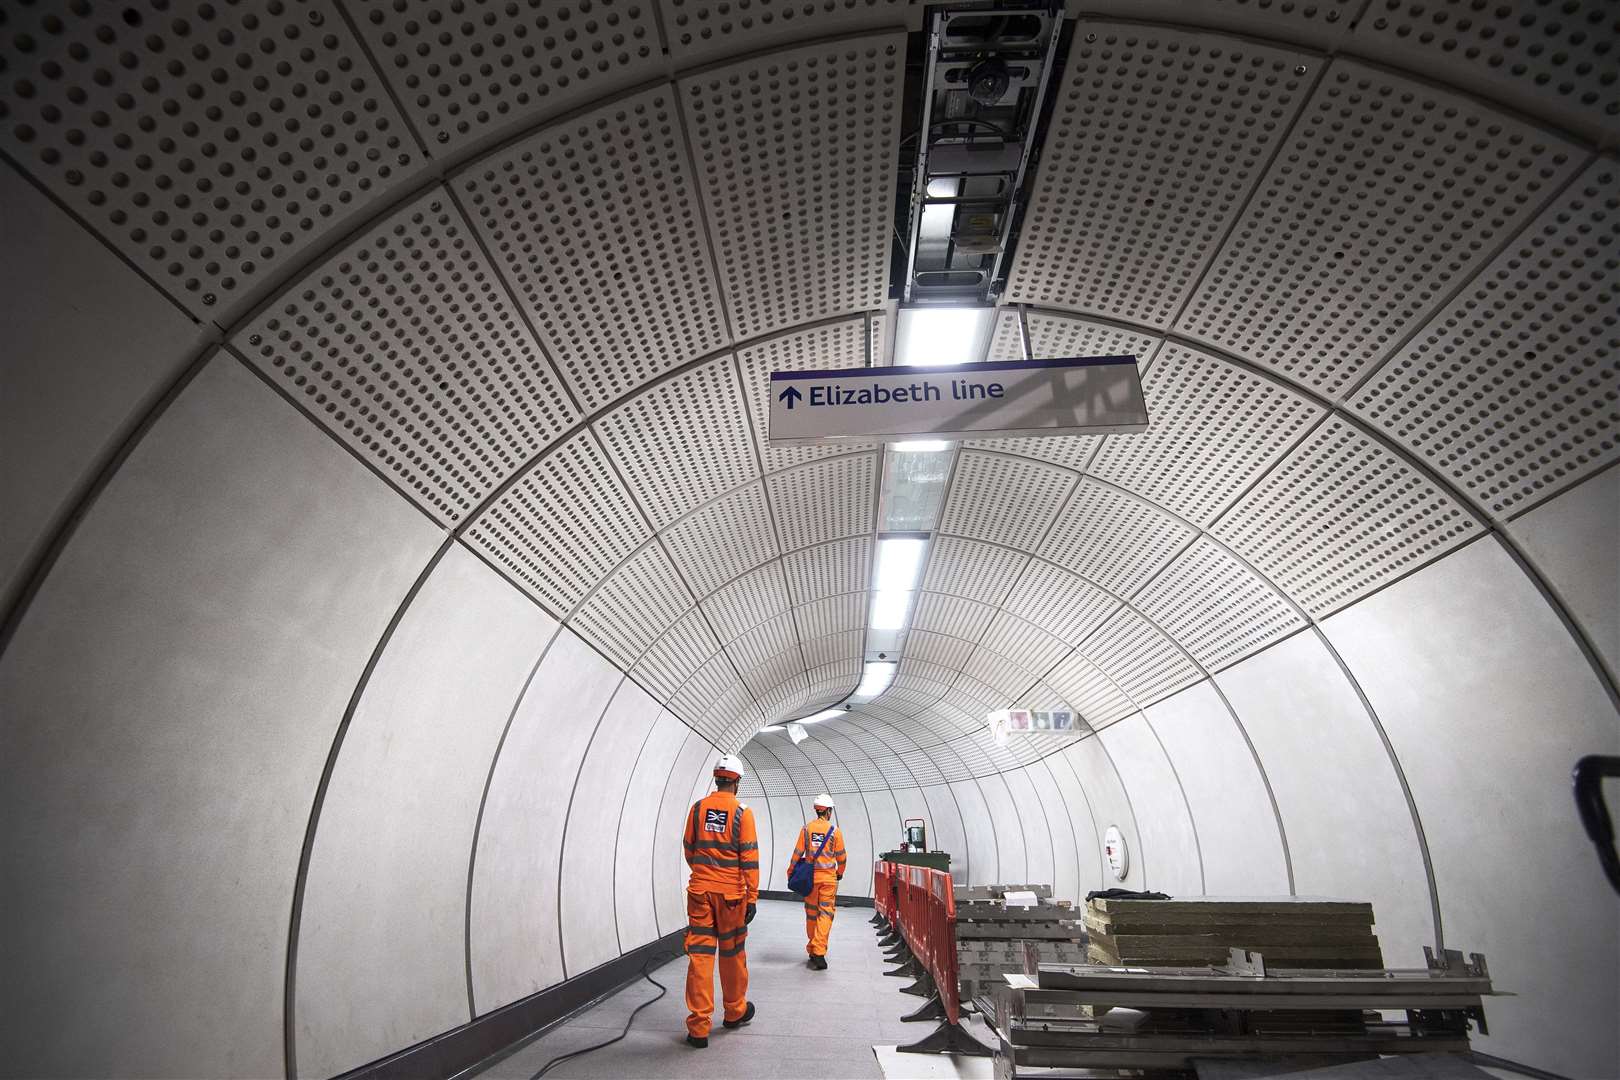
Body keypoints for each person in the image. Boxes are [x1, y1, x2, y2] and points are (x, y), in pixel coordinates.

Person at [681, 754, 760, 1048]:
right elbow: (749, 857)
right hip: (731, 898)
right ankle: (734, 1011)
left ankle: (699, 1027)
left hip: (699, 893)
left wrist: (704, 873)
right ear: (736, 782)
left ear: (717, 779)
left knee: (700, 957)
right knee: (732, 955)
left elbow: (690, 847)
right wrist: (751, 896)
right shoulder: (743, 812)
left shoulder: (698, 808)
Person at [789, 794, 847, 969]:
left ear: (817, 810)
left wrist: (791, 872)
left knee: (811, 915)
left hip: (810, 880)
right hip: (828, 879)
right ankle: (819, 951)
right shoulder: (835, 831)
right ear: (828, 811)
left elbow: (797, 853)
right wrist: (840, 872)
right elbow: (842, 857)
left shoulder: (806, 830)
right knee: (825, 915)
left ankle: (812, 949)